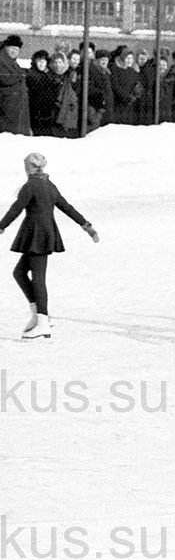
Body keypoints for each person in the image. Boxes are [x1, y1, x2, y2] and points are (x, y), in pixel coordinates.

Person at [0, 153, 99, 338]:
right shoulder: (49, 185)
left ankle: (43, 321)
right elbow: (67, 207)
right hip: (42, 234)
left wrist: (1, 226)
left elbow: (16, 208)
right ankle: (39, 314)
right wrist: (87, 226)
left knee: (38, 278)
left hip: (37, 235)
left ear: (29, 167)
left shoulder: (31, 186)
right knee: (19, 273)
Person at [0, 34, 30, 135]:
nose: (14, 52)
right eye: (12, 49)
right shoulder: (2, 60)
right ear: (6, 47)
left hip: (15, 107)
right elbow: (4, 78)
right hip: (7, 107)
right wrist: (20, 75)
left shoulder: (11, 62)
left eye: (17, 50)